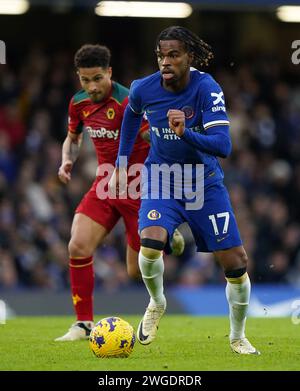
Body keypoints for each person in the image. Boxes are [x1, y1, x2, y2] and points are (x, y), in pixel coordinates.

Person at [109, 26, 260, 355]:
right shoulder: (143, 89)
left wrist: (186, 132)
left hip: (203, 182)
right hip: (161, 177)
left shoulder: (207, 88)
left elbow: (223, 145)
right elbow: (132, 116)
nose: (166, 61)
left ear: (188, 57)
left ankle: (237, 336)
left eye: (174, 54)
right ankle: (157, 301)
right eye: (161, 55)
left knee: (235, 263)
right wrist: (121, 162)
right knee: (149, 245)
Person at [55, 44, 184, 341]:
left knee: (135, 272)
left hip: (137, 187)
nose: (91, 86)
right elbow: (72, 138)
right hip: (104, 183)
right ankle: (83, 324)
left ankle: (168, 224)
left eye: (97, 78)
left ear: (109, 73)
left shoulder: (129, 102)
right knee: (77, 246)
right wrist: (67, 160)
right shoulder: (78, 103)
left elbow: (153, 139)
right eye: (85, 80)